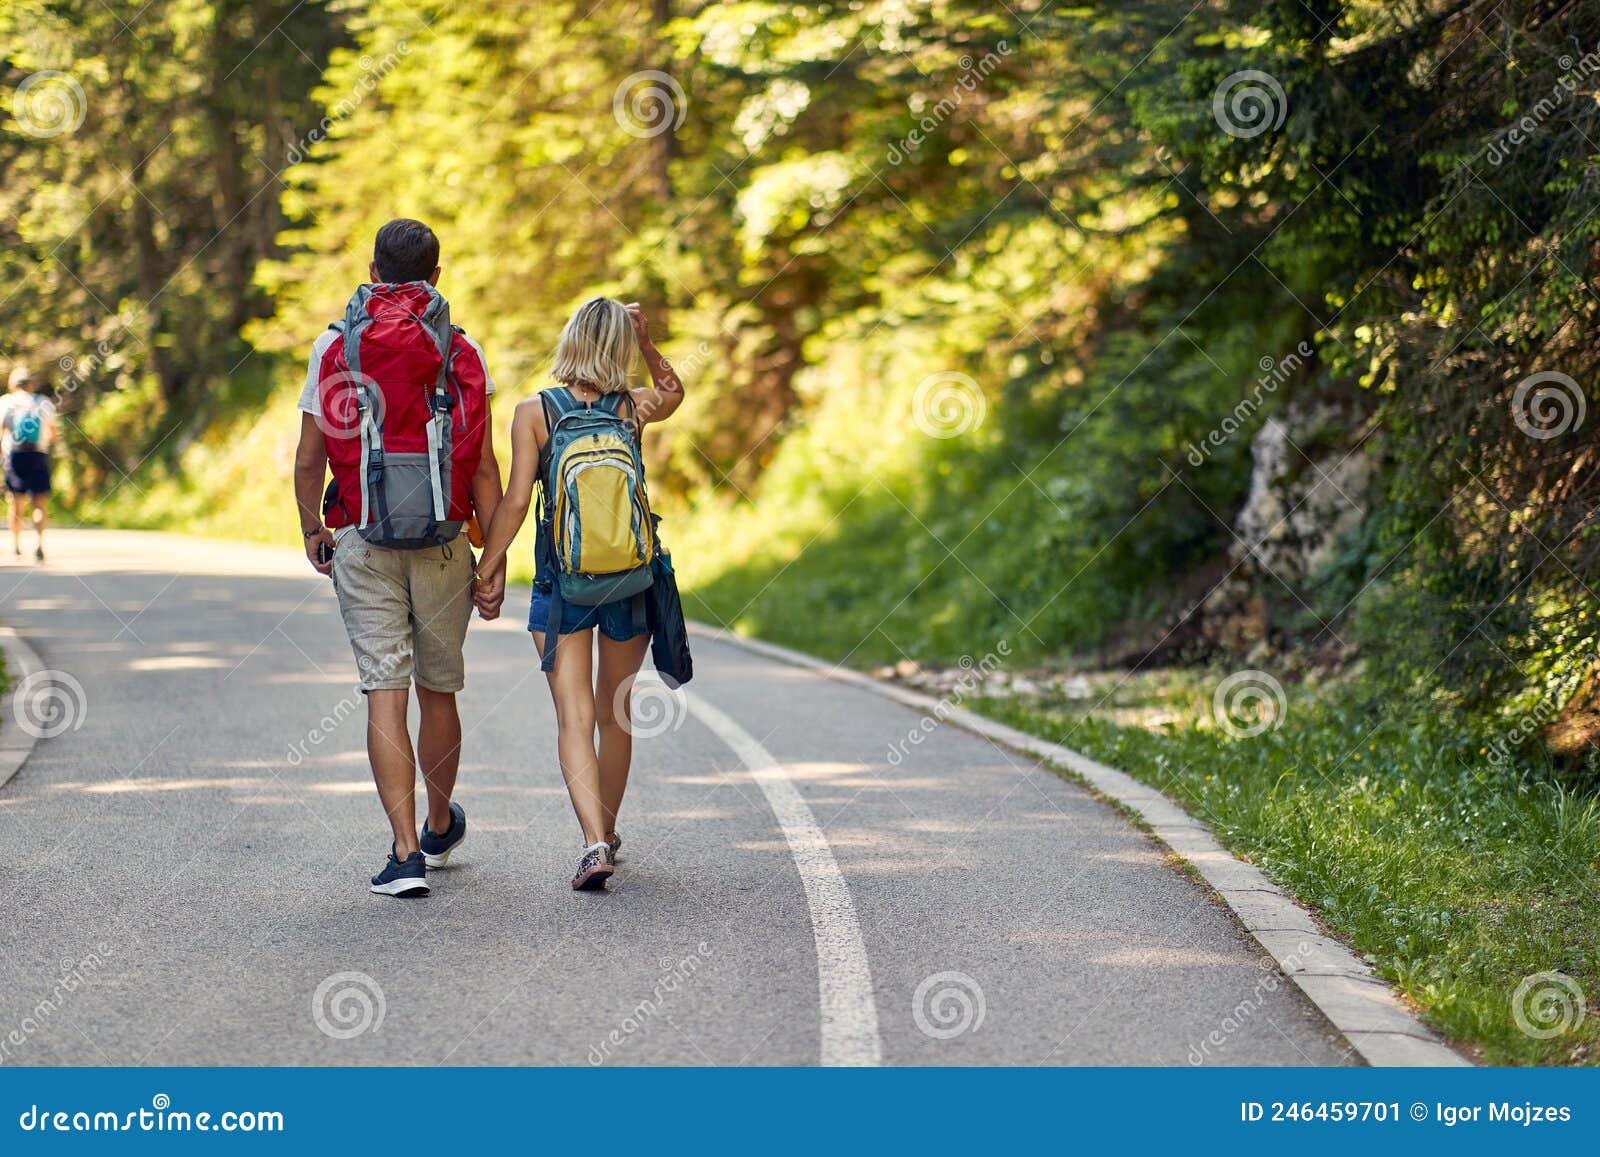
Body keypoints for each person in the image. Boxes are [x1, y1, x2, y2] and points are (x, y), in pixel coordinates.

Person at [293, 218, 503, 898]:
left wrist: (310, 529)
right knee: (437, 687)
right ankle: (441, 823)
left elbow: (308, 458)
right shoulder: (462, 351)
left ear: (374, 272)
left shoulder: (334, 347)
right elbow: (485, 472)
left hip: (360, 532)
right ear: (436, 277)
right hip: (445, 540)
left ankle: (406, 852)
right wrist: (493, 558)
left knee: (384, 687)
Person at [475, 297, 684, 890]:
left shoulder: (533, 412)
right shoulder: (632, 407)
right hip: (630, 580)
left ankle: (593, 842)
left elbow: (516, 500)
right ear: (619, 346)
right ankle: (610, 833)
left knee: (574, 715)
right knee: (616, 714)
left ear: (568, 340)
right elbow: (674, 391)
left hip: (560, 584)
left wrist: (488, 568)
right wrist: (647, 343)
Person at [2, 365, 57, 563]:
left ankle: (16, 545)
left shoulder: (6, 403)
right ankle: (39, 543)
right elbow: (53, 436)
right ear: (31, 384)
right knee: (39, 502)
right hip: (38, 456)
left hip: (15, 457)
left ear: (13, 385)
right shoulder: (43, 403)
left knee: (15, 502)